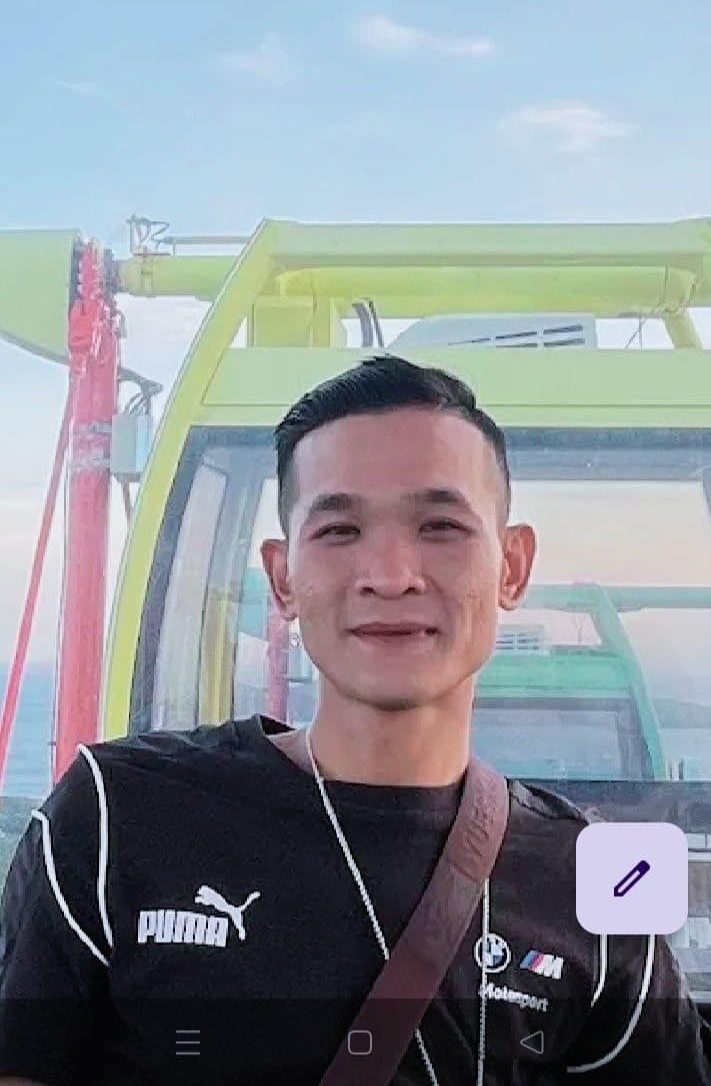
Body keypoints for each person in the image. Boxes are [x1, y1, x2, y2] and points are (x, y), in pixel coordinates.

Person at [0, 355, 708, 1086]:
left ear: (512, 566)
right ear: (283, 578)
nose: (390, 575)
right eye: (339, 530)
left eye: (440, 525)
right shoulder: (117, 816)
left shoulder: (593, 880)